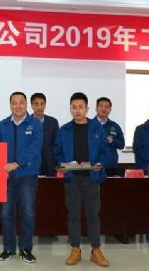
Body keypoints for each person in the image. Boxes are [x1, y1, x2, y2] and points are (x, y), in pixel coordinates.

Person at [54, 92, 110, 267]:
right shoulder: (64, 129)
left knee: (93, 214)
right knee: (74, 215)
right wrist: (63, 164)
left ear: (86, 109)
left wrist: (100, 163)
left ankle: (96, 250)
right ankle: (75, 249)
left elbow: (104, 150)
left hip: (91, 178)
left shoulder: (96, 127)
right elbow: (57, 151)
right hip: (72, 178)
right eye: (74, 107)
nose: (77, 110)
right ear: (70, 109)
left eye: (80, 107)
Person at [0, 92, 42, 263]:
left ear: (26, 104)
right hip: (6, 176)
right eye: (14, 103)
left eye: (21, 102)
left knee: (28, 213)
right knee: (6, 213)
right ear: (10, 105)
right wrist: (2, 166)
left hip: (27, 175)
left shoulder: (35, 124)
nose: (18, 106)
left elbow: (35, 148)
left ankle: (26, 249)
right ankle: (8, 248)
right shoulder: (2, 125)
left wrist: (17, 163)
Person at [30, 93, 59, 176]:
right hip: (31, 165)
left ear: (45, 105)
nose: (39, 107)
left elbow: (57, 144)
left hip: (50, 165)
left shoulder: (53, 122)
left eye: (42, 104)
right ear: (32, 106)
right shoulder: (26, 122)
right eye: (36, 104)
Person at [95, 97, 124, 168]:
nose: (103, 109)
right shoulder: (89, 125)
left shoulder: (115, 126)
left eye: (106, 107)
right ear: (96, 109)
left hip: (111, 165)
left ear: (110, 110)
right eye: (101, 106)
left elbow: (122, 145)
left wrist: (112, 140)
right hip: (94, 165)